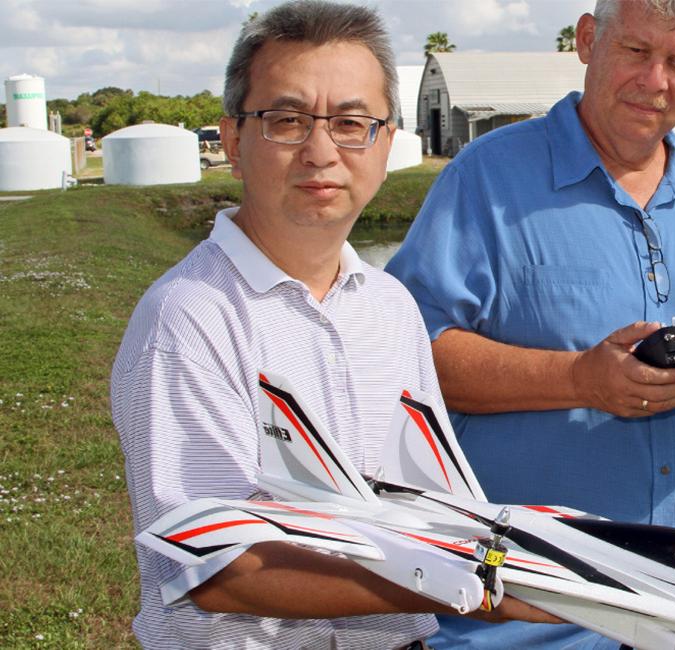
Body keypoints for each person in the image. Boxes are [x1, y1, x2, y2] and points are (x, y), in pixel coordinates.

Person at [111, 2, 553, 647]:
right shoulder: (189, 316)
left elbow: (428, 499)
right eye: (287, 121)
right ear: (233, 141)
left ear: (383, 142)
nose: (321, 151)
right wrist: (481, 588)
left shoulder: (391, 307)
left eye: (351, 123)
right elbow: (216, 567)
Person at [387, 0, 675, 647]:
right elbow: (404, 359)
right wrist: (580, 378)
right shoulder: (485, 179)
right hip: (526, 620)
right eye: (636, 52)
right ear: (587, 40)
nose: (654, 80)